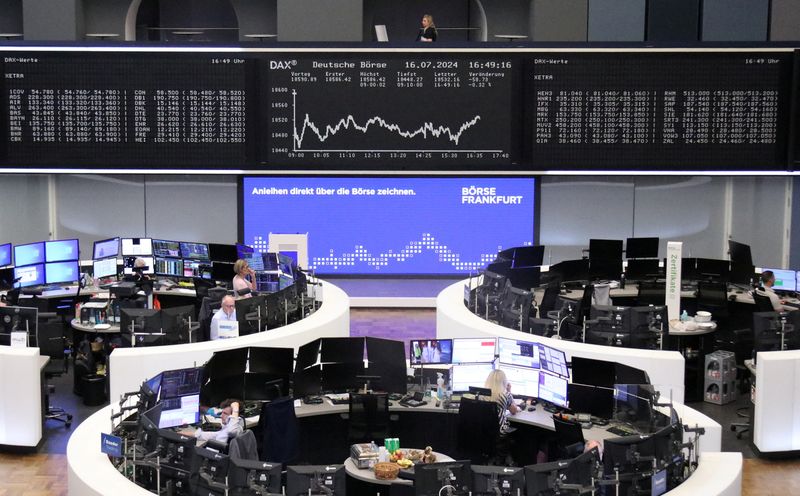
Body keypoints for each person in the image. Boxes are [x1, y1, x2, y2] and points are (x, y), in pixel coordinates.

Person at [484, 369, 519, 435]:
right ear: (504, 381)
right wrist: (509, 391)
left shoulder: (482, 394)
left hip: (483, 431)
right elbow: (514, 411)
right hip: (500, 431)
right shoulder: (505, 394)